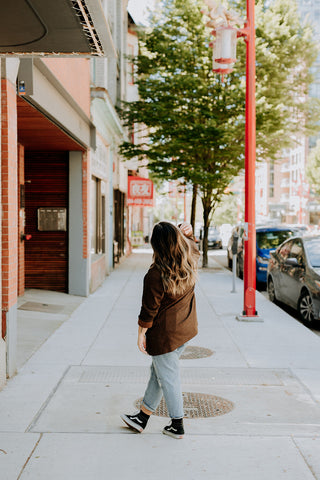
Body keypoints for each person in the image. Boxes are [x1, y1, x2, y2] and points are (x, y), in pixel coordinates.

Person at [121, 221, 200, 439]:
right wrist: (190, 234)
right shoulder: (188, 262)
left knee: (168, 378)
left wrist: (141, 334)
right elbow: (194, 248)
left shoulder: (155, 275)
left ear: (156, 245)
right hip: (185, 330)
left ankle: (177, 424)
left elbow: (149, 310)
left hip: (165, 336)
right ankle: (142, 417)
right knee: (158, 374)